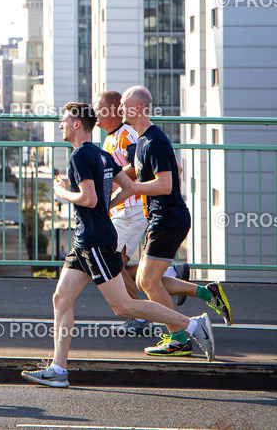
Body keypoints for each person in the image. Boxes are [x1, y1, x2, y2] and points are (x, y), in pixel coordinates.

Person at [21, 103, 214, 387]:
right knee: (61, 299)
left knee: (124, 306)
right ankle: (59, 370)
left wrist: (62, 192)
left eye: (63, 120)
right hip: (86, 240)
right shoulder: (102, 154)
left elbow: (87, 199)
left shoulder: (79, 156)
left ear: (77, 125)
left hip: (94, 241)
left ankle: (194, 325)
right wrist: (103, 208)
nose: (60, 124)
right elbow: (129, 187)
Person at [120, 85, 233, 358]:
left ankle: (179, 338)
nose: (119, 110)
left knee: (147, 281)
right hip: (162, 217)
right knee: (152, 280)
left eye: (123, 105)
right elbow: (174, 168)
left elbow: (165, 183)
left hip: (168, 218)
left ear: (137, 108)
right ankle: (208, 294)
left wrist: (135, 187)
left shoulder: (154, 140)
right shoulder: (143, 140)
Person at [94, 91, 149, 336]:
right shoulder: (108, 139)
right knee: (115, 262)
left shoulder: (127, 134)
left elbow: (138, 168)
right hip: (121, 209)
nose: (96, 113)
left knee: (114, 263)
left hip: (134, 208)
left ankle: (139, 317)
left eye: (100, 108)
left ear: (114, 110)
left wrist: (110, 179)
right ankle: (170, 273)